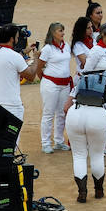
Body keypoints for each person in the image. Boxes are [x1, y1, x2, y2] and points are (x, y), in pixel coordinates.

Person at [65, 35, 106, 203]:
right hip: (97, 117)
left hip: (76, 115)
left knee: (79, 155)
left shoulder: (80, 82)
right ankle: (99, 191)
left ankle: (82, 192)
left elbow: (66, 107)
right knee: (96, 155)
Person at [0, 24, 38, 135]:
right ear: (11, 39)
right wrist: (36, 59)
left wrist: (24, 52)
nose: (17, 39)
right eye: (17, 37)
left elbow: (8, 59)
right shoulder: (15, 57)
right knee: (10, 142)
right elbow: (31, 76)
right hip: (12, 107)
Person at [36, 21, 74, 154]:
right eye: (60, 31)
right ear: (53, 33)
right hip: (51, 84)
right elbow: (39, 68)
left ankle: (59, 141)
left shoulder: (67, 46)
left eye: (63, 30)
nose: (63, 33)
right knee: (48, 113)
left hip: (64, 85)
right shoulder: (47, 49)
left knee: (62, 113)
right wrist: (46, 81)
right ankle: (45, 143)